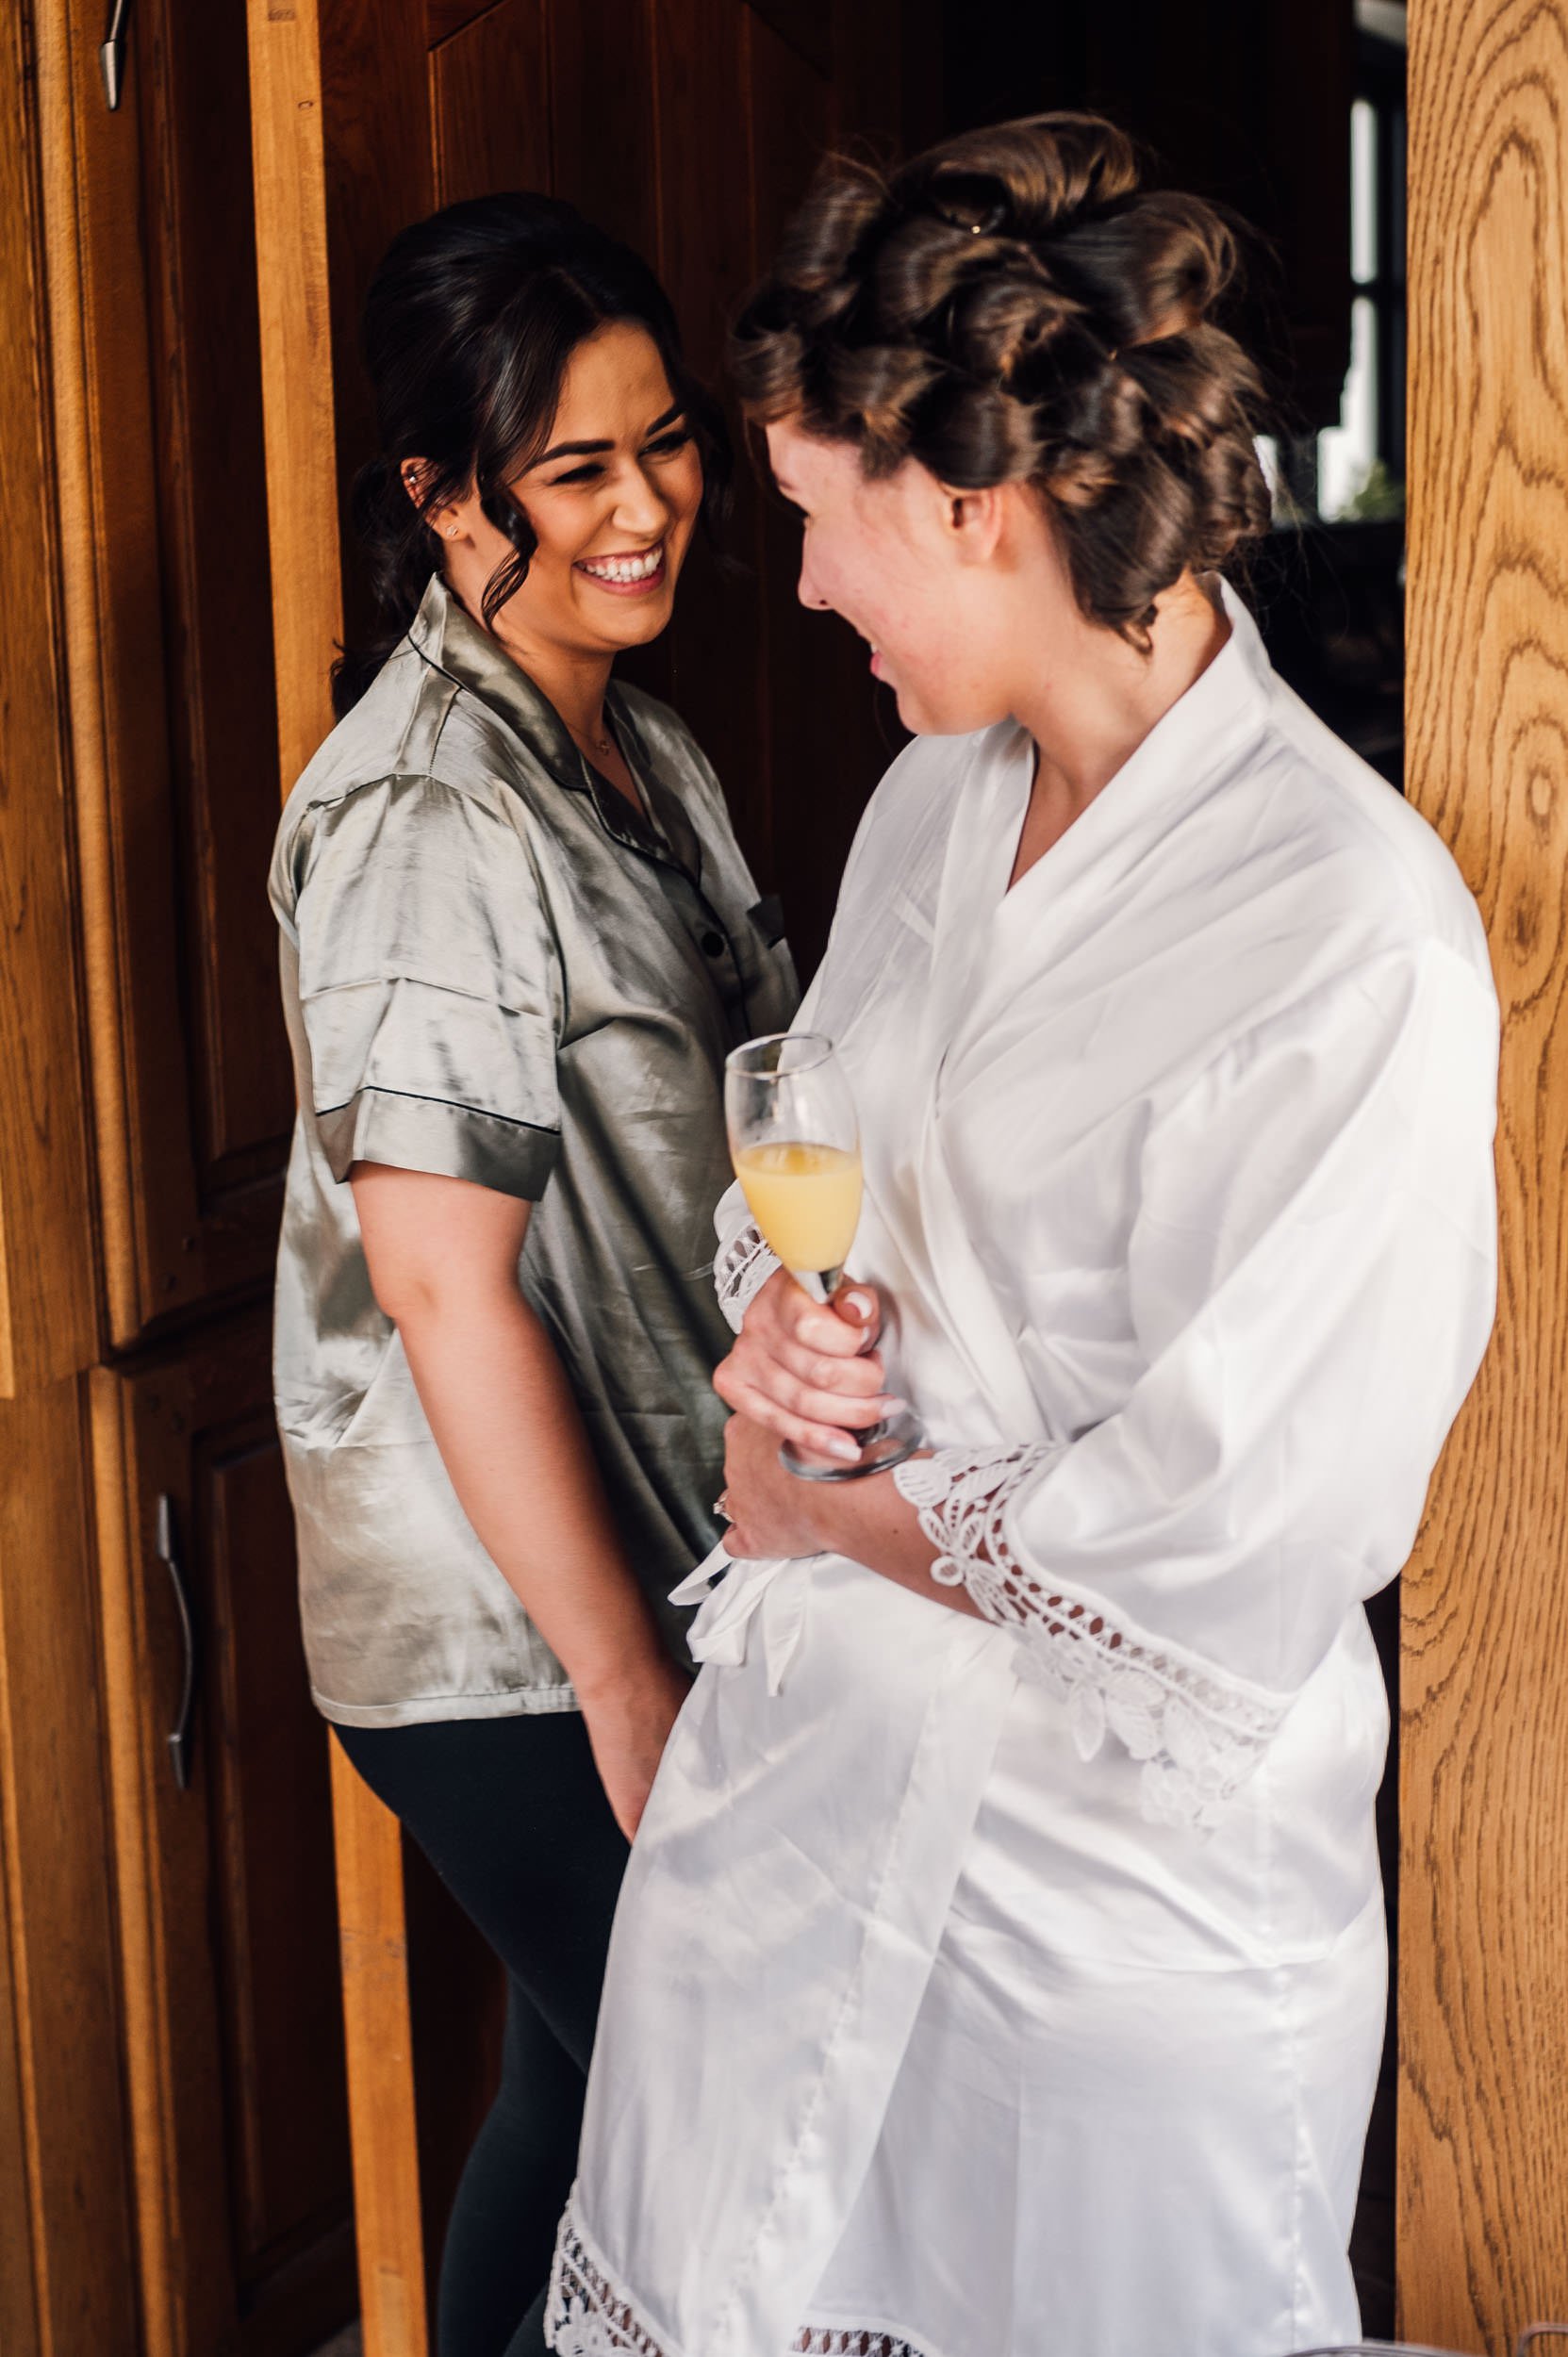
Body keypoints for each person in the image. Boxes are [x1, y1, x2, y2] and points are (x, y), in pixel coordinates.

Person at [545, 116, 1499, 2357]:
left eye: (815, 524)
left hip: (1116, 1908)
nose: (797, 593)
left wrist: (832, 1504)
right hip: (801, 1824)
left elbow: (1250, 1515)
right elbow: (829, 1180)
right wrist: (779, 1334)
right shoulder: (925, 805)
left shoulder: (1349, 929)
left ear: (971, 506)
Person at [268, 193, 796, 2357]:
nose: (649, 504)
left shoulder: (629, 739)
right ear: (440, 497)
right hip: (504, 1627)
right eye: (572, 470)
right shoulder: (425, 814)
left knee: (591, 2090)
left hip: (649, 1544)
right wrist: (624, 1677)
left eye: (661, 440)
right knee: (690, 2079)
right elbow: (444, 1286)